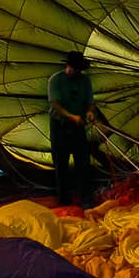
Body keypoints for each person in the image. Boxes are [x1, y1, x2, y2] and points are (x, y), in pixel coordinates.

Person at [46, 51, 100, 207]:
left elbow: (90, 101)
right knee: (61, 164)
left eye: (76, 69)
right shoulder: (55, 80)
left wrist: (90, 112)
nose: (73, 71)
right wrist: (72, 117)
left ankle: (85, 199)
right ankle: (64, 201)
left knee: (83, 163)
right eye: (71, 68)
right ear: (67, 65)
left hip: (78, 126)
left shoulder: (85, 81)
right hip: (60, 126)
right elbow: (55, 104)